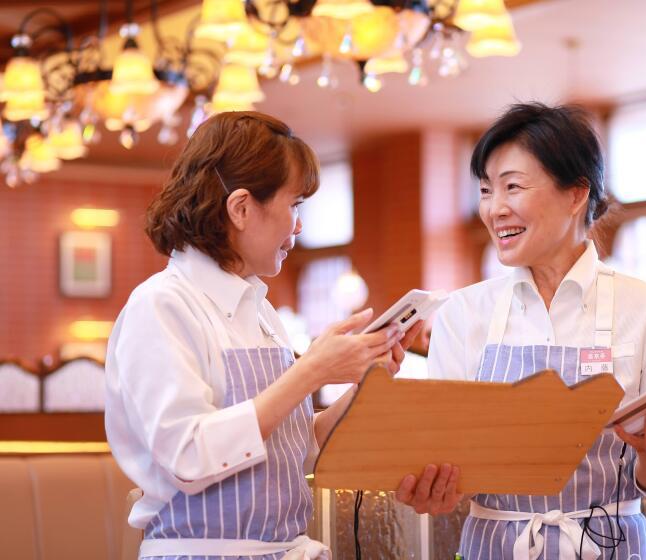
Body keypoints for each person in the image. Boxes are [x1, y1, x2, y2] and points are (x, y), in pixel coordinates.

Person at [105, 111, 420, 559]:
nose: (299, 227)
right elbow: (189, 457)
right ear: (241, 207)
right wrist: (312, 369)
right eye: (295, 205)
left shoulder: (262, 311)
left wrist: (364, 385)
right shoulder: (161, 305)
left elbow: (296, 450)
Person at [396, 103, 646, 559]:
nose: (495, 209)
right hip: (497, 545)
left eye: (512, 187)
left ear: (576, 194)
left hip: (609, 545)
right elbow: (443, 456)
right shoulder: (464, 312)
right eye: (485, 190)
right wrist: (434, 485)